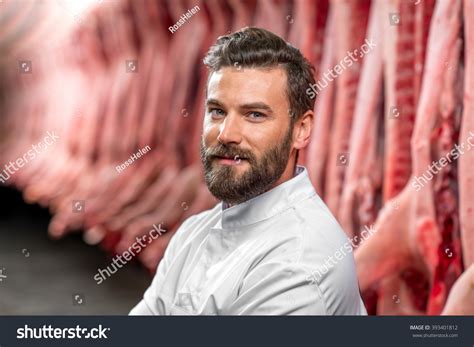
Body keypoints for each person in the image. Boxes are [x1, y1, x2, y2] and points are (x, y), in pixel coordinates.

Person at [130, 27, 367, 315]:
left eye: (255, 115)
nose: (226, 134)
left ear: (301, 130)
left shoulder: (300, 262)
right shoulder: (193, 233)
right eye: (217, 111)